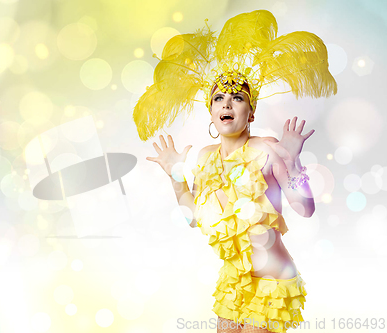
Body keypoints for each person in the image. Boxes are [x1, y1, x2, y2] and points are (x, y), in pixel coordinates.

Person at [134, 10, 337, 333]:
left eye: (237, 97)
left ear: (251, 111)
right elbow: (194, 218)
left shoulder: (266, 149)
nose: (227, 104)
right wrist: (175, 174)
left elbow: (305, 208)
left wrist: (294, 161)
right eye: (219, 98)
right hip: (233, 282)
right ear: (212, 111)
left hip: (272, 281)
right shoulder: (204, 158)